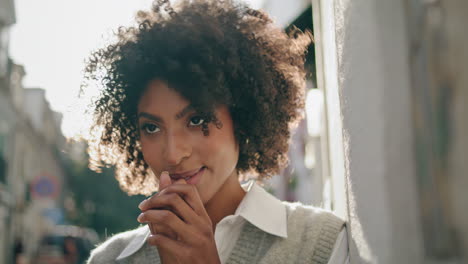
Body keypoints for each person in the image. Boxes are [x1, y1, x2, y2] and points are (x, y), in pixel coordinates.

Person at [85, 0, 348, 263]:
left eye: (196, 120)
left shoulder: (320, 243)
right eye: (151, 127)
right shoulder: (110, 259)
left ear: (242, 116)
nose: (173, 154)